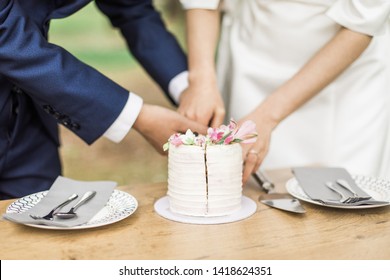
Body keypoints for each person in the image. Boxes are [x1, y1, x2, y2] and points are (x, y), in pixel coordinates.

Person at [0, 0, 206, 199]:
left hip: (29, 129)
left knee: (40, 229)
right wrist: (136, 115)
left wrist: (189, 89)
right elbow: (7, 36)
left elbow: (132, 9)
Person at [178, 0, 390, 183]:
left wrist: (267, 116)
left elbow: (362, 21)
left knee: (344, 200)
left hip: (346, 77)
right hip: (251, 53)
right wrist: (201, 78)